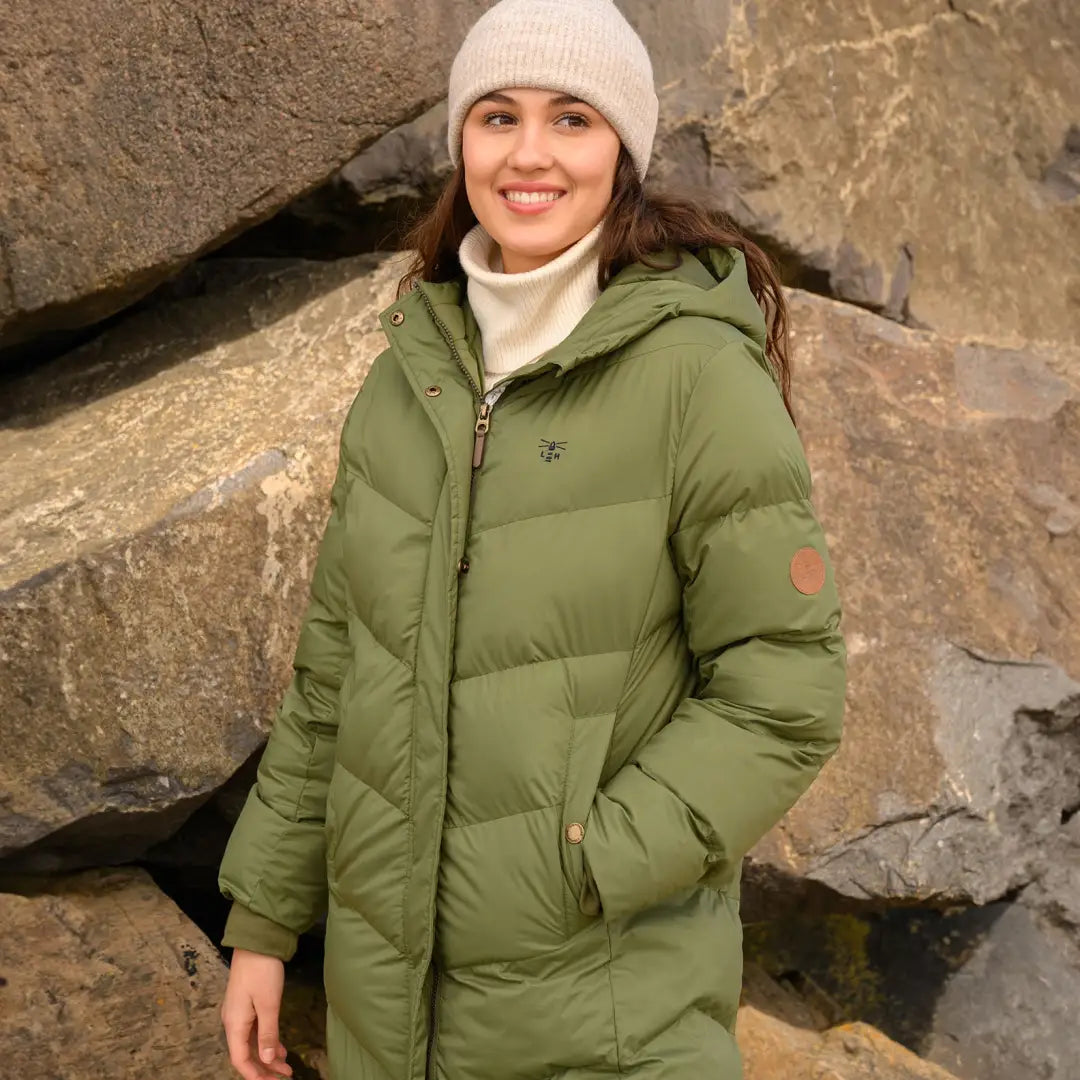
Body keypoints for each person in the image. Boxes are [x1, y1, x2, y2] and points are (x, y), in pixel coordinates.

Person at [217, 0, 847, 1077]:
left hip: (607, 1020)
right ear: (462, 142)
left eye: (572, 119)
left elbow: (785, 688)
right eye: (498, 116)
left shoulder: (697, 375)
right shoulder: (406, 377)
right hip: (388, 1019)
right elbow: (334, 677)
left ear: (624, 151)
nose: (529, 154)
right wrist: (265, 923)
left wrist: (593, 860)